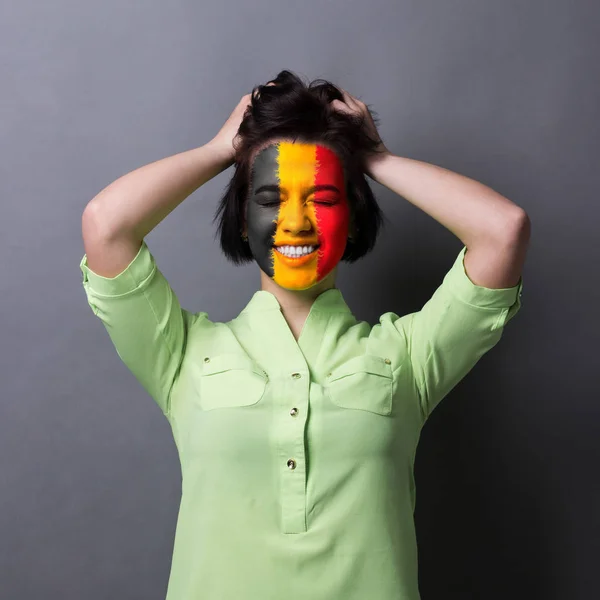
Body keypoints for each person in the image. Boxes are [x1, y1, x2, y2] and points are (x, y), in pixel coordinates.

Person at [79, 70, 529, 600]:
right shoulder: (181, 354)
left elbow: (503, 230)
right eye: (270, 198)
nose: (295, 222)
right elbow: (106, 225)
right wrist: (222, 148)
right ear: (244, 220)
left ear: (354, 220)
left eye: (322, 198)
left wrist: (371, 158)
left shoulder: (406, 359)